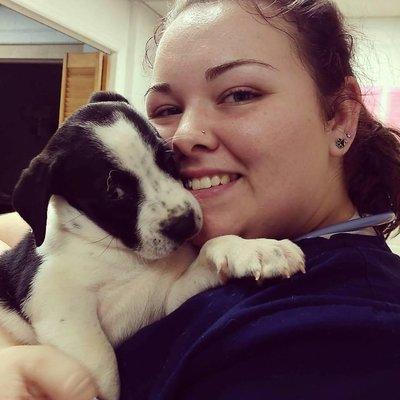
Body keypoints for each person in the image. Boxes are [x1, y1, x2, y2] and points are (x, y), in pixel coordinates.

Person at [1, 0, 400, 398]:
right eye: (168, 108)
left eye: (239, 94)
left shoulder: (354, 333)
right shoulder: (204, 245)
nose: (184, 136)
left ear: (340, 116)